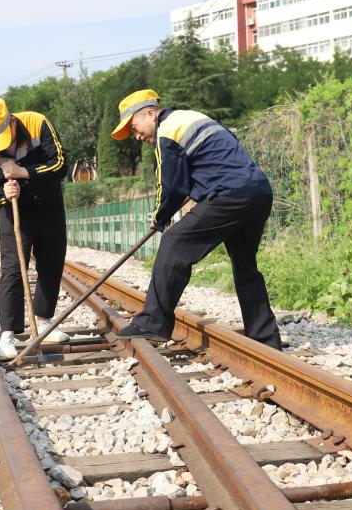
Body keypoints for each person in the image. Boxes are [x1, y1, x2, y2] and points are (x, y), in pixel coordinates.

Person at [109, 89, 282, 350]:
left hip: (229, 195)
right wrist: (174, 204)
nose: (137, 136)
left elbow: (170, 185)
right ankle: (266, 338)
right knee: (245, 266)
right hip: (258, 193)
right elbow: (209, 164)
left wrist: (159, 217)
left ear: (150, 113)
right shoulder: (194, 117)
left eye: (134, 128)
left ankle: (153, 323)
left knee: (173, 243)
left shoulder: (168, 130)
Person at [0, 96, 71, 360]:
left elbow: (60, 165)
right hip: (15, 213)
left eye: (5, 139)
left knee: (51, 263)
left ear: (12, 122)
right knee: (13, 268)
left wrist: (23, 172)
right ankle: (8, 335)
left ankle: (44, 322)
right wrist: (5, 193)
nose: (3, 147)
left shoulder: (37, 123)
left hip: (49, 206)